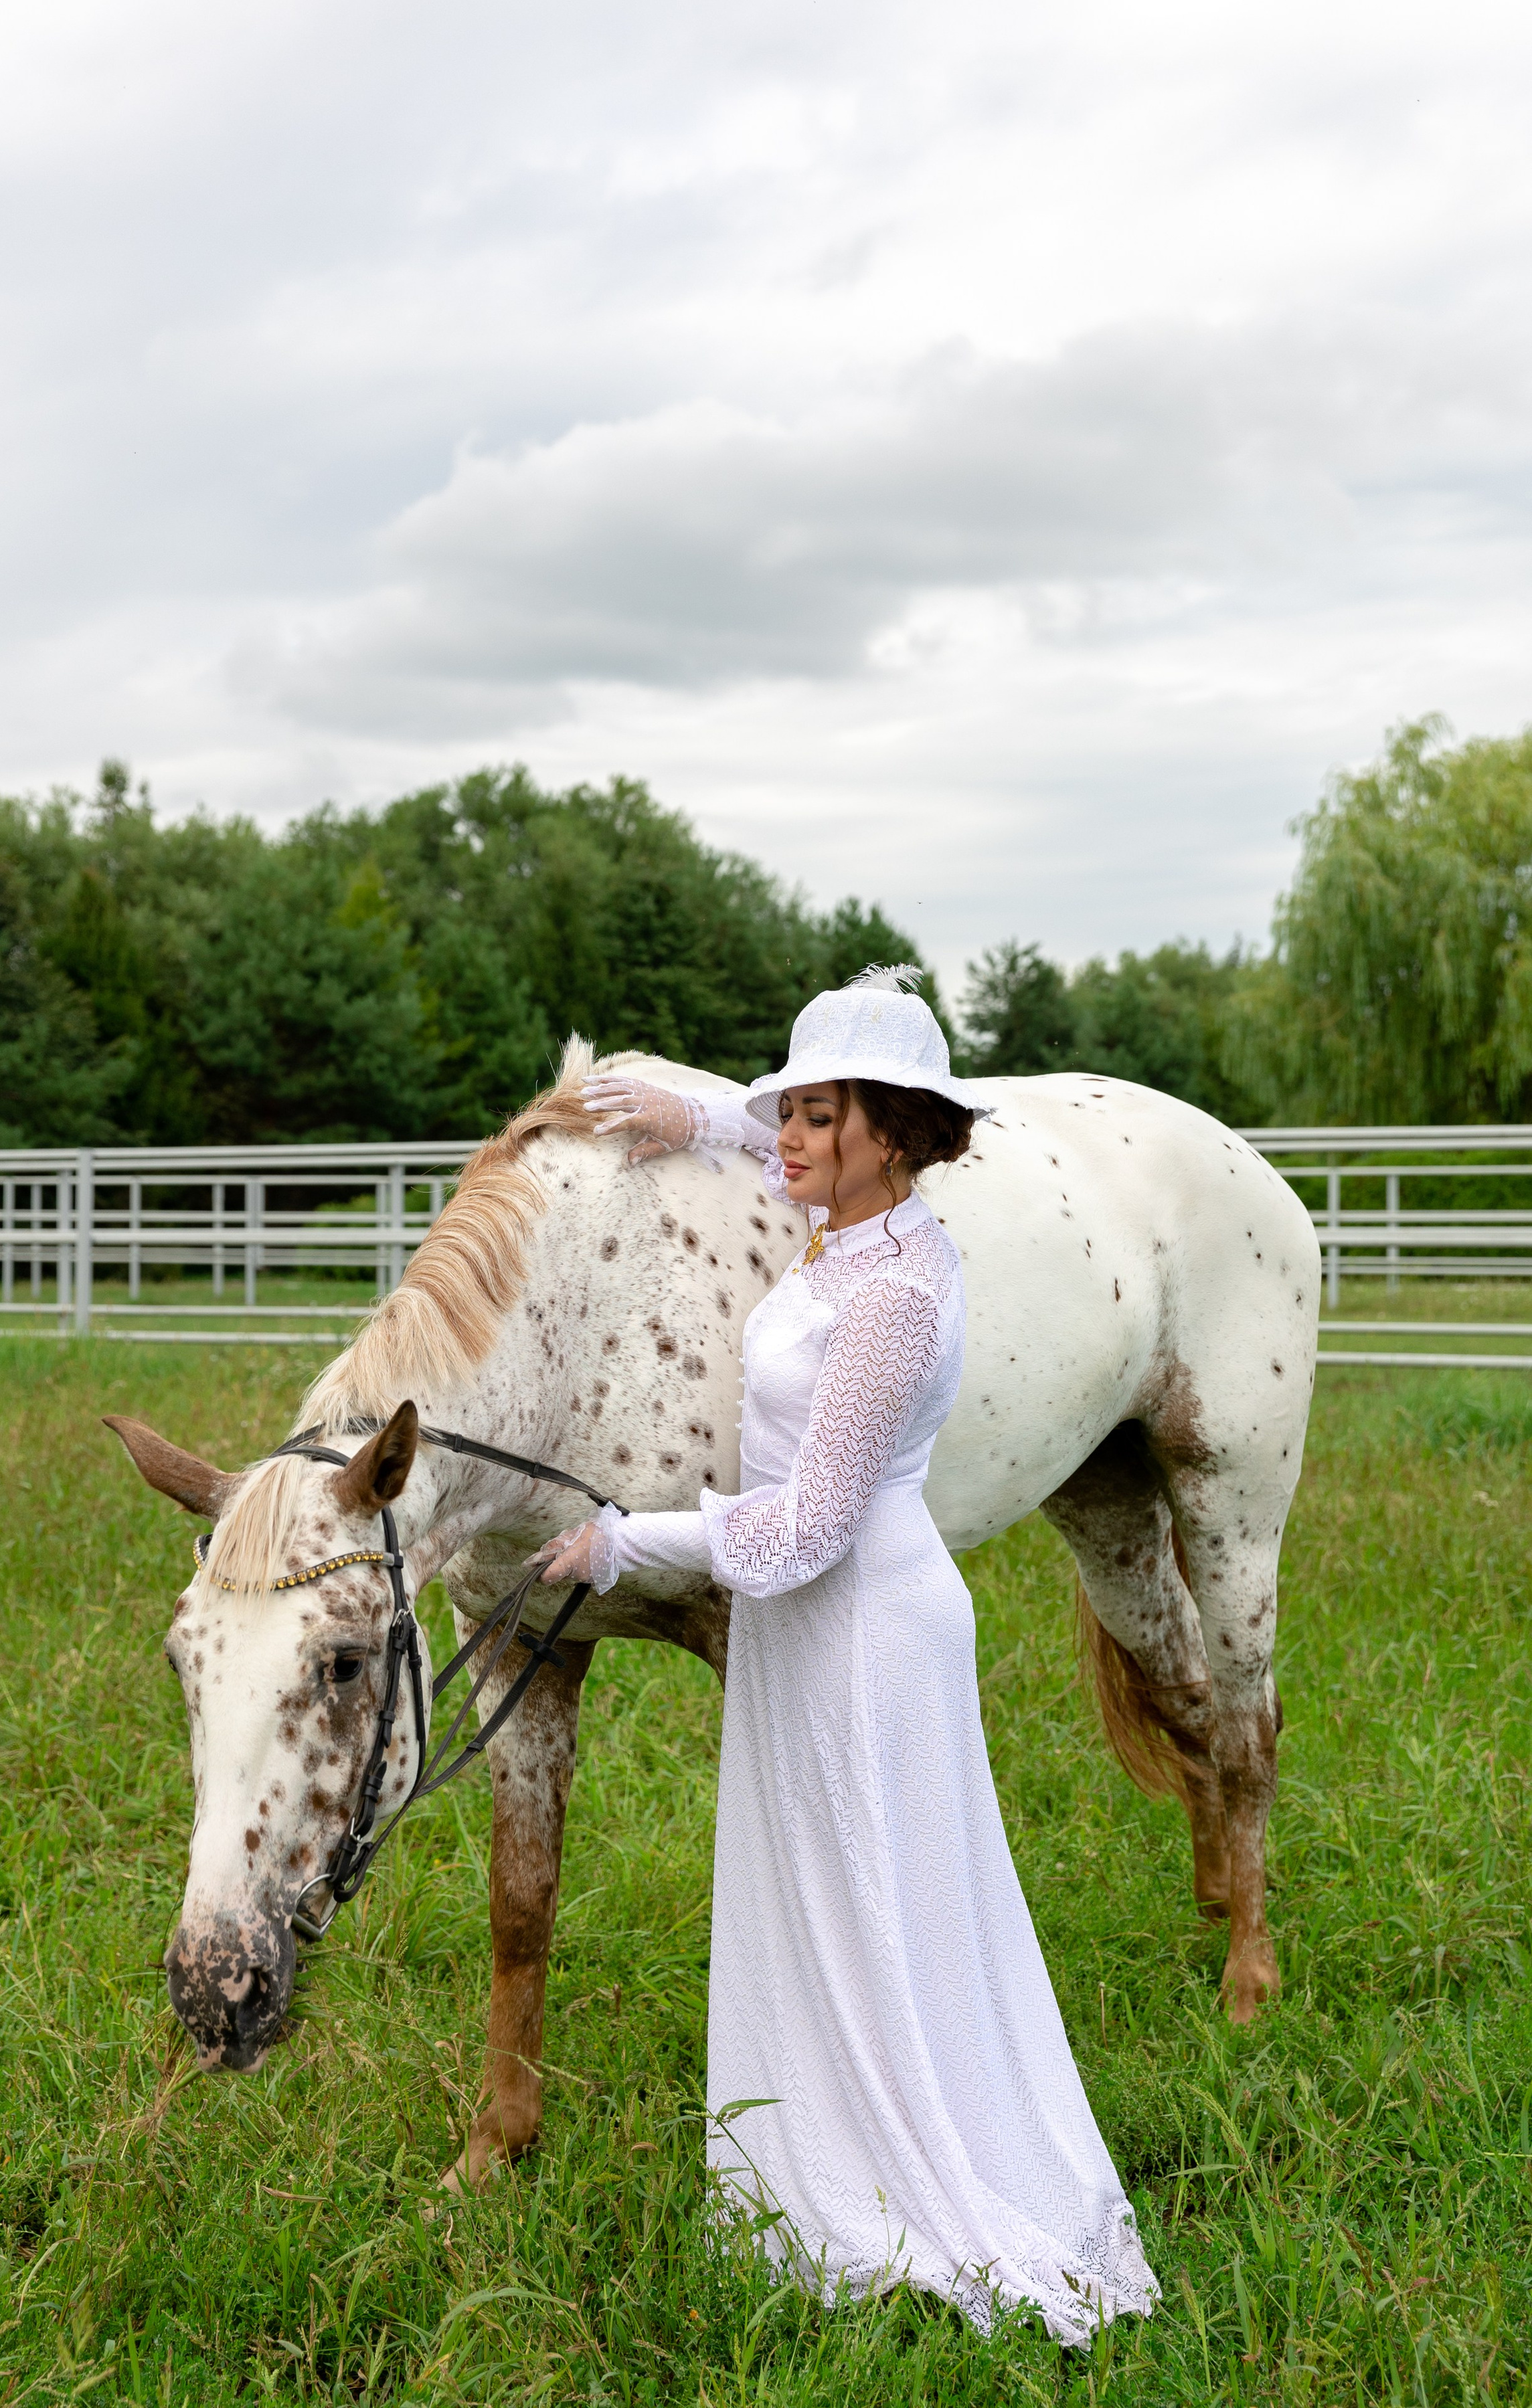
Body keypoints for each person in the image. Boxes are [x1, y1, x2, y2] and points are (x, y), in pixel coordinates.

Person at [537, 968, 1158, 2343]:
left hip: (866, 1627)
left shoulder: (892, 1296)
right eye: (790, 1113)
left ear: (889, 1131)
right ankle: (822, 2158)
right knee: (824, 1896)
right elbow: (766, 1140)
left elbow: (809, 1527)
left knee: (883, 1908)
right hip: (810, 1634)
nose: (789, 1138)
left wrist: (621, 1542)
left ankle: (909, 2184)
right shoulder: (857, 1231)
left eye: (818, 1116)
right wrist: (690, 1112)